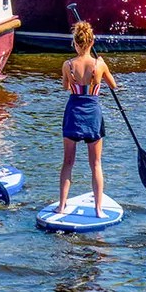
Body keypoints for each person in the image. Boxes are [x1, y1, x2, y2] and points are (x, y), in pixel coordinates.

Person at [57, 20, 118, 218]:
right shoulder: (99, 64)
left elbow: (66, 87)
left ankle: (61, 206)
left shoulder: (67, 65)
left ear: (75, 44)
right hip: (92, 113)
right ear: (91, 42)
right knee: (96, 163)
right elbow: (113, 85)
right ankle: (98, 209)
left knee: (68, 162)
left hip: (74, 112)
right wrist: (101, 64)